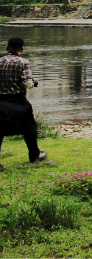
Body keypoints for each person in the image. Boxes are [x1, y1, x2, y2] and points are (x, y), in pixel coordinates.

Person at [0, 37, 46, 167]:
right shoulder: (24, 62)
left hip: (1, 101)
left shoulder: (0, 61)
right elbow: (27, 84)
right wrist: (34, 83)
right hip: (18, 101)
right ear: (22, 49)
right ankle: (34, 155)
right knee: (29, 129)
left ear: (7, 48)